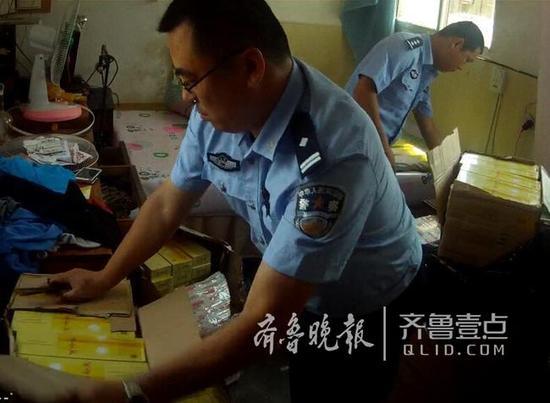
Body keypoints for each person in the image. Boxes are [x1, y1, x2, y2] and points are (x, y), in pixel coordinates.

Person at [47, 0, 422, 401]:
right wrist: (105, 277)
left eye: (191, 80)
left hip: (367, 297)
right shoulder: (219, 111)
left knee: (338, 385)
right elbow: (168, 203)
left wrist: (129, 392)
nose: (186, 97)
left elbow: (264, 321)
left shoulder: (331, 157)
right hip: (301, 287)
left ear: (251, 67)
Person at [345, 21, 484, 168]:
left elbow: (427, 124)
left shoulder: (427, 69)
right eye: (466, 60)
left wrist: (446, 166)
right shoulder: (405, 48)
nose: (462, 67)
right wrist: (383, 150)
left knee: (418, 174)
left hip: (375, 145)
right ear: (457, 44)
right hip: (353, 140)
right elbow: (363, 91)